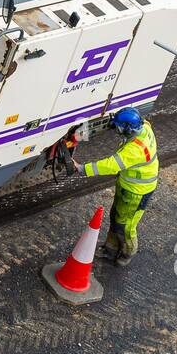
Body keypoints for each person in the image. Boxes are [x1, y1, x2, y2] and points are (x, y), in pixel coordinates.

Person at [71, 107, 158, 266]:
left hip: (136, 192)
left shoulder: (135, 150)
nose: (117, 130)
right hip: (128, 187)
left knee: (125, 226)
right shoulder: (144, 127)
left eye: (119, 128)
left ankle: (127, 253)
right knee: (116, 217)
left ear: (128, 128)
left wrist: (83, 169)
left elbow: (111, 165)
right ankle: (110, 249)